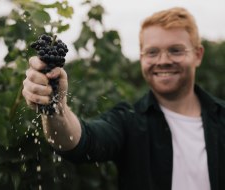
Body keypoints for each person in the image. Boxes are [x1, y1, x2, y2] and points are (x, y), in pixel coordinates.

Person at [22, 7, 225, 190]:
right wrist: (55, 108)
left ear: (198, 55)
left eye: (175, 50)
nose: (163, 61)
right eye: (152, 52)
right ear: (142, 57)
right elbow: (83, 142)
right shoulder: (128, 121)